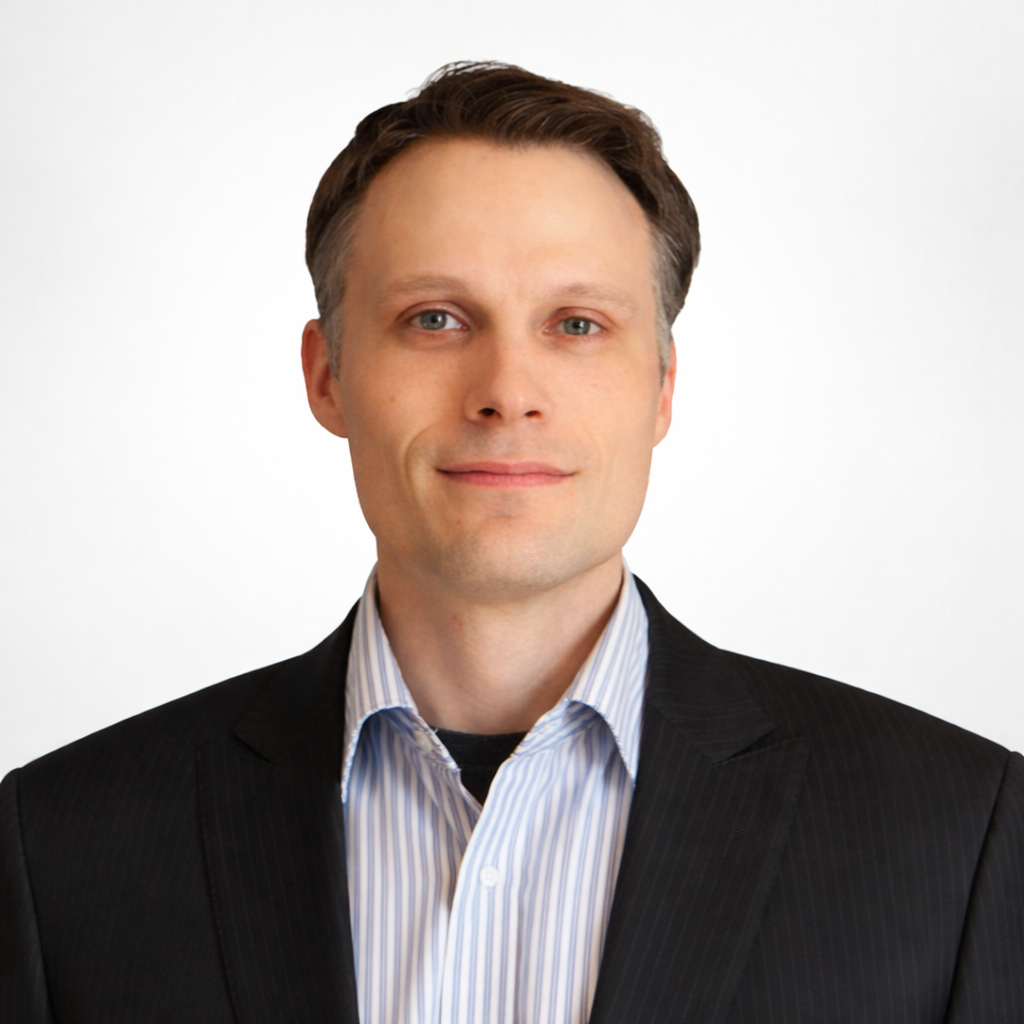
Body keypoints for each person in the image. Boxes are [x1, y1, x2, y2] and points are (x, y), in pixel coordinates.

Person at [1, 61, 1021, 1024]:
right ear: (327, 375)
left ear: (661, 388)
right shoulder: (62, 847)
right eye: (436, 317)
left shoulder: (956, 835)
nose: (506, 392)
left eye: (576, 324)